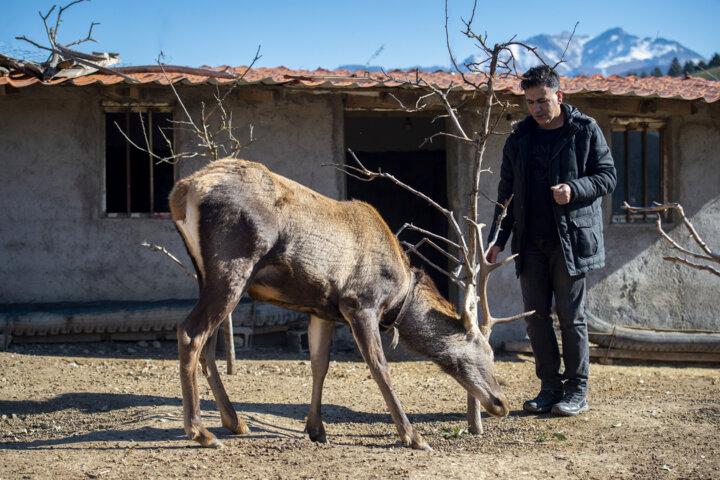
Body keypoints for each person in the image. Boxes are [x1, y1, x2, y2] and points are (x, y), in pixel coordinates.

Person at [486, 65, 616, 416]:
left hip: (571, 241)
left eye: (542, 101)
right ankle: (549, 388)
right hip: (530, 242)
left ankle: (577, 391)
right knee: (536, 318)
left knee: (571, 317)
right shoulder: (519, 139)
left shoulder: (584, 131)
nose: (537, 109)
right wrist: (497, 239)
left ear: (559, 96)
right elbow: (506, 194)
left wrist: (575, 189)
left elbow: (608, 177)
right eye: (530, 102)